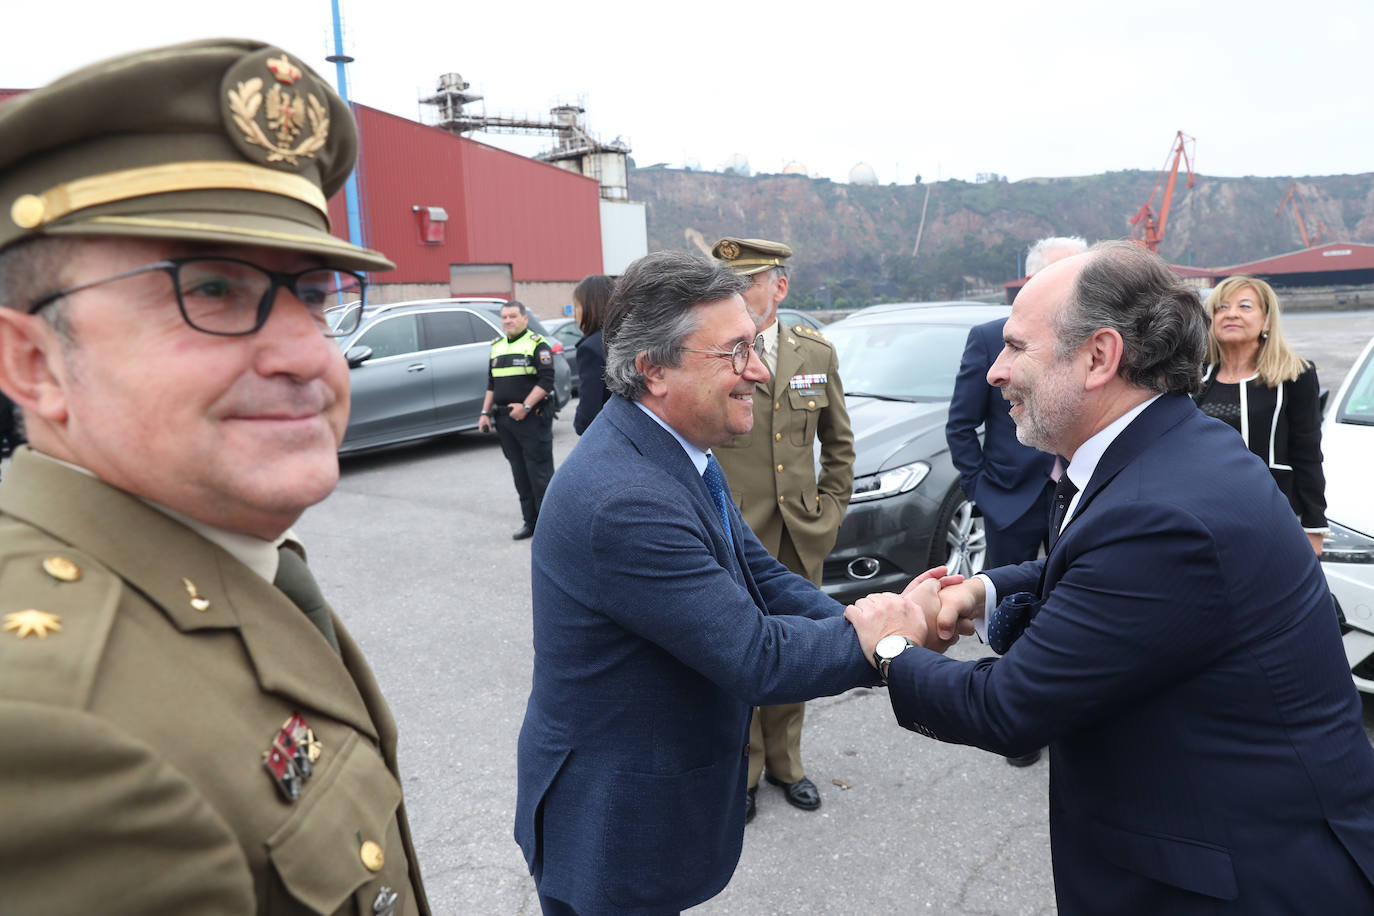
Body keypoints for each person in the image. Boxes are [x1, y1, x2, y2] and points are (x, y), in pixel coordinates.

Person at [0, 39, 430, 914]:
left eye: (313, 294)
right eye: (213, 291)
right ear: (34, 363)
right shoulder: (44, 728)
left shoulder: (223, 553)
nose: (309, 354)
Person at [849, 241, 1374, 914]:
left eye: (1016, 347)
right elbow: (1095, 575)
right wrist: (984, 593)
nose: (996, 372)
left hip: (1238, 882)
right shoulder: (1167, 449)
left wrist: (889, 646)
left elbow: (1007, 708)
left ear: (1099, 356)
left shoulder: (1165, 512)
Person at [514, 250, 926, 915]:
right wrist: (887, 640)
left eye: (755, 347)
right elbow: (756, 656)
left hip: (647, 798)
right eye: (734, 353)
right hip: (614, 826)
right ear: (653, 369)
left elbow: (759, 572)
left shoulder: (677, 449)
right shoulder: (627, 498)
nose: (758, 371)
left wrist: (871, 614)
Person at [709, 236, 854, 820]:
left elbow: (837, 444)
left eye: (748, 282)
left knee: (797, 652)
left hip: (799, 532)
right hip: (732, 533)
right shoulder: (713, 353)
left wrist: (830, 510)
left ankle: (786, 764)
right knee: (739, 656)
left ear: (779, 287)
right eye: (728, 284)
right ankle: (741, 771)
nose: (739, 295)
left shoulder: (814, 353)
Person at [945, 234, 1085, 767]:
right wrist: (982, 490)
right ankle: (1017, 719)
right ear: (1032, 281)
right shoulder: (988, 338)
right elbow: (961, 425)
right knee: (1009, 606)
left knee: (1070, 595)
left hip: (1077, 489)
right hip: (1011, 497)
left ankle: (1066, 706)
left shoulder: (1089, 339)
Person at [1195, 275, 1327, 554]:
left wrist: (1314, 525)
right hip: (1204, 514)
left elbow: (1307, 452)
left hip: (1273, 513)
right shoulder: (1193, 378)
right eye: (1221, 307)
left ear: (1266, 321)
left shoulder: (1296, 375)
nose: (1231, 314)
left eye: (1244, 306)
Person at [478, 301, 556, 539]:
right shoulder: (497, 347)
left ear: (524, 318)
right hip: (504, 420)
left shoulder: (537, 344)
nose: (508, 321)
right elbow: (492, 384)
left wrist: (526, 406)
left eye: (513, 316)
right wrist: (484, 413)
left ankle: (550, 527)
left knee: (540, 474)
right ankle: (530, 523)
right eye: (504, 317)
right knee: (519, 473)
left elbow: (546, 381)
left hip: (532, 418)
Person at [572, 273, 614, 435]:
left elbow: (589, 410)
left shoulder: (591, 349)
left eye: (576, 306)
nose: (574, 314)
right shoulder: (630, 337)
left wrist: (580, 425)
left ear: (589, 308)